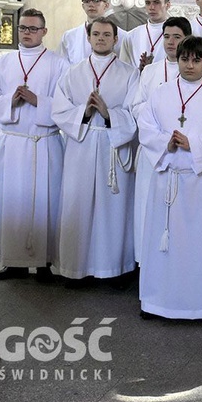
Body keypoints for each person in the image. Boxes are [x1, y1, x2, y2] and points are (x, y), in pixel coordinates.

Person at [138, 36, 202, 319]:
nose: (190, 65)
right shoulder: (160, 93)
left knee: (201, 246)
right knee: (164, 245)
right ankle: (158, 302)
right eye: (185, 59)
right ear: (178, 60)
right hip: (168, 178)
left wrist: (192, 143)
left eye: (196, 60)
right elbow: (145, 127)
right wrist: (166, 143)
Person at [0, 8, 68, 281]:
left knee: (46, 202)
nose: (27, 33)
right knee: (13, 202)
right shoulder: (3, 63)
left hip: (45, 145)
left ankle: (45, 264)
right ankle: (13, 262)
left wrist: (37, 100)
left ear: (44, 31)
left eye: (33, 28)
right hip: (15, 144)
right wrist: (11, 101)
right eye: (23, 28)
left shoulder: (59, 64)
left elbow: (67, 104)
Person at [52, 18, 140, 284]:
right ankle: (75, 268)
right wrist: (84, 112)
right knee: (77, 205)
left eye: (107, 34)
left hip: (112, 146)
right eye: (96, 34)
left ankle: (112, 268)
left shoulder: (130, 73)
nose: (101, 38)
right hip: (82, 145)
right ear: (88, 38)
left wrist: (107, 113)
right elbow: (59, 110)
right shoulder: (73, 72)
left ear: (116, 39)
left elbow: (136, 113)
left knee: (112, 208)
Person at [131, 16, 191, 263]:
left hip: (182, 153)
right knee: (149, 208)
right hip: (154, 151)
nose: (170, 42)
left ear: (186, 38)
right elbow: (136, 106)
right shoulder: (151, 71)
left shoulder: (193, 69)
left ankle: (177, 263)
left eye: (177, 37)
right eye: (166, 36)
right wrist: (159, 121)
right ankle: (147, 263)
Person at [58, 0, 124, 65]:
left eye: (96, 1)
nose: (91, 5)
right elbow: (62, 69)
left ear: (106, 5)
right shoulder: (69, 37)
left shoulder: (123, 37)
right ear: (83, 6)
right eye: (87, 1)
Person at [120, 0, 170, 71]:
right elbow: (124, 71)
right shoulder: (131, 36)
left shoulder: (178, 35)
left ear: (167, 5)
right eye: (148, 3)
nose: (151, 7)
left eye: (156, 2)